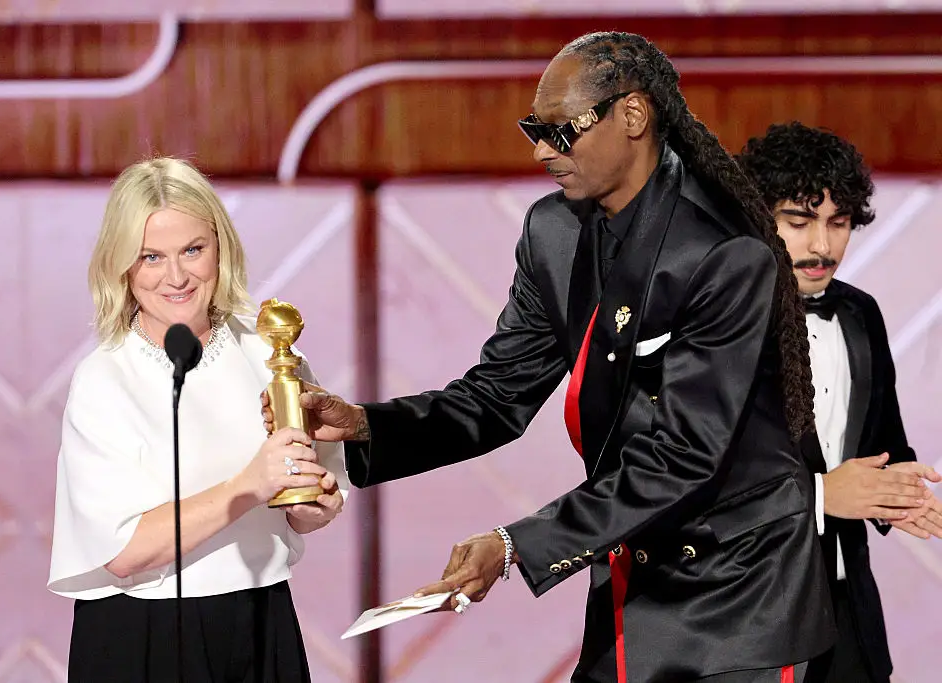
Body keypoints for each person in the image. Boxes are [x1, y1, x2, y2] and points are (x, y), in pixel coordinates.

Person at [263, 31, 900, 683]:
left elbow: (683, 455)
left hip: (739, 599)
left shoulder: (726, 249)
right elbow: (496, 397)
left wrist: (515, 545)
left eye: (562, 130)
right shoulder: (554, 232)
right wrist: (366, 425)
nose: (542, 149)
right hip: (629, 572)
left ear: (632, 116)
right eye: (534, 129)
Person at [47, 157, 349, 683]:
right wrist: (250, 485)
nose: (178, 276)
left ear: (220, 246)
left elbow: (303, 507)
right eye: (151, 257)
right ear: (122, 266)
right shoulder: (104, 380)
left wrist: (316, 504)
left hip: (262, 620)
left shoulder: (270, 353)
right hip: (144, 634)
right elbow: (121, 552)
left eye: (193, 250)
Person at [737, 121, 942, 683]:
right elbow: (694, 473)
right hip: (742, 605)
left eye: (839, 223)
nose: (822, 246)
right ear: (756, 217)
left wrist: (899, 491)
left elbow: (882, 439)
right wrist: (825, 493)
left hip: (847, 598)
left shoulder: (860, 313)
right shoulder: (717, 322)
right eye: (798, 223)